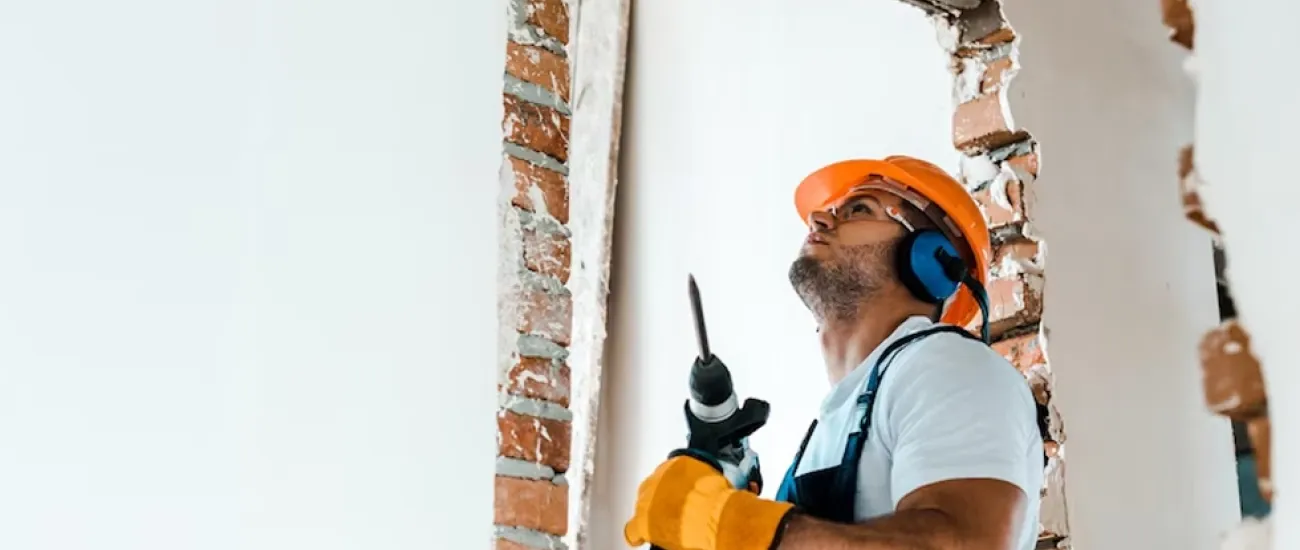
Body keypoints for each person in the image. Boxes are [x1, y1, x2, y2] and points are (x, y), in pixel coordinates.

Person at [622, 156, 1044, 550]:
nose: (820, 217)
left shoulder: (949, 368)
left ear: (931, 260)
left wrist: (746, 526)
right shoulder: (837, 421)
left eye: (859, 209)